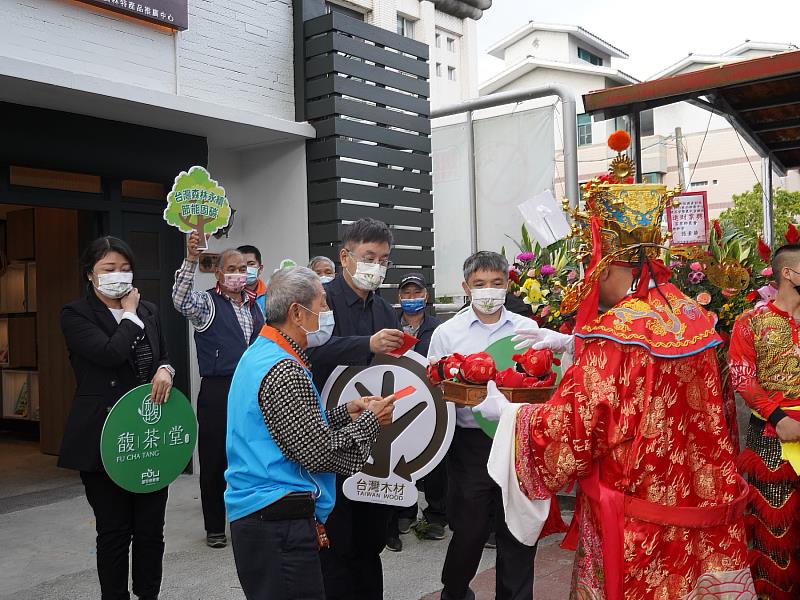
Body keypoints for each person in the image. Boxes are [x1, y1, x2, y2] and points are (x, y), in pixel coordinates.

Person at [496, 146, 754, 598]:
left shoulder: (614, 332)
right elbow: (721, 421)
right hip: (701, 518)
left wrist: (512, 418)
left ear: (609, 258)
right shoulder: (695, 316)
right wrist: (577, 345)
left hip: (634, 525)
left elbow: (572, 432)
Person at [225, 266, 397, 600]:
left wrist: (345, 413)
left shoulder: (263, 353)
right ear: (296, 313)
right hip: (278, 519)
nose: (328, 314)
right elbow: (318, 453)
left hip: (264, 515)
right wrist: (372, 422)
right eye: (322, 304)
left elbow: (289, 428)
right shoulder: (285, 368)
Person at [59, 236, 175, 600]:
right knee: (113, 530)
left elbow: (163, 355)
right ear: (89, 275)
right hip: (103, 437)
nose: (118, 276)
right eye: (109, 269)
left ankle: (148, 593)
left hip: (149, 435)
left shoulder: (151, 311)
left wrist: (166, 370)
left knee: (150, 529)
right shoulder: (75, 315)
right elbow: (110, 354)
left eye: (125, 269)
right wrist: (129, 314)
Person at [427, 251, 538, 600]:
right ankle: (455, 591)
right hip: (469, 446)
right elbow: (435, 386)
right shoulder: (447, 333)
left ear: (508, 285)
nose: (488, 291)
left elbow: (544, 382)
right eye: (479, 285)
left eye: (496, 283)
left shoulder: (528, 330)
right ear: (465, 287)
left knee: (516, 529)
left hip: (518, 441)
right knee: (469, 529)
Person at [308, 217, 405, 600]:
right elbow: (311, 350)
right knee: (335, 538)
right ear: (345, 256)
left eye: (383, 260)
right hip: (329, 432)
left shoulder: (384, 309)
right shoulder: (320, 299)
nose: (376, 267)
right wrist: (367, 343)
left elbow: (392, 367)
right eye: (369, 257)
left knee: (370, 538)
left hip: (375, 437)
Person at [172, 231, 265, 548]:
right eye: (233, 269)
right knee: (214, 459)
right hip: (218, 389)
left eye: (244, 268)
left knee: (251, 453)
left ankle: (248, 518)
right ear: (219, 273)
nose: (240, 274)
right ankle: (214, 526)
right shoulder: (207, 304)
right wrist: (190, 259)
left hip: (252, 389)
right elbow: (181, 300)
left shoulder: (255, 306)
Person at [729, 243, 800, 600]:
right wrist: (779, 417)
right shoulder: (751, 322)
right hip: (773, 438)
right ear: (788, 273)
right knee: (775, 535)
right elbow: (743, 377)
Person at [386, 272, 446, 552]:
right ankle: (403, 512)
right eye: (406, 294)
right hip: (396, 398)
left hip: (430, 399)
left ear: (426, 296)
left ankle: (435, 515)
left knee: (432, 457)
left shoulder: (438, 328)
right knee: (399, 455)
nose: (411, 299)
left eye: (416, 293)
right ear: (399, 298)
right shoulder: (388, 328)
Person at [237, 244, 267, 317]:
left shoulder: (271, 296)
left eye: (251, 264)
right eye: (241, 265)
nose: (246, 269)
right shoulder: (227, 296)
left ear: (260, 269)